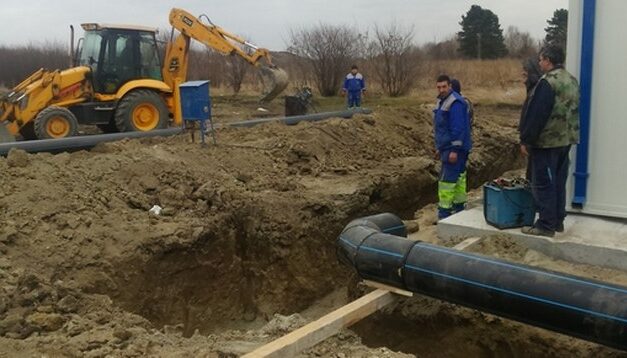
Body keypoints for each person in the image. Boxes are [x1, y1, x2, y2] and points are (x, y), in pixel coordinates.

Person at [519, 45, 580, 237]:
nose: (539, 63)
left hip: (547, 143)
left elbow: (537, 114)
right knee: (559, 182)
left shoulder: (548, 82)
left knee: (544, 183)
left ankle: (545, 225)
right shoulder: (571, 79)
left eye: (541, 59)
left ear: (548, 60)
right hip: (566, 140)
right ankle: (558, 221)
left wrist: (526, 140)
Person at [433, 74, 472, 219]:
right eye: (439, 87)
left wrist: (454, 150)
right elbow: (441, 127)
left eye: (444, 86)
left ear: (450, 86)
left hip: (453, 149)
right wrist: (439, 147)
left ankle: (444, 213)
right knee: (459, 179)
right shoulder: (442, 101)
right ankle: (459, 209)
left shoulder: (455, 103)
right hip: (447, 147)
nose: (441, 89)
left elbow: (458, 128)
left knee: (446, 182)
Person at [519, 57, 544, 180]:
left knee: (535, 178)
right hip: (534, 142)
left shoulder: (536, 90)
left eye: (525, 70)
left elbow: (534, 118)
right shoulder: (533, 89)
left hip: (536, 144)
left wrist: (526, 141)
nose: (523, 73)